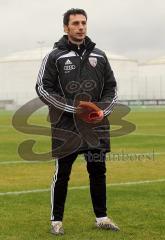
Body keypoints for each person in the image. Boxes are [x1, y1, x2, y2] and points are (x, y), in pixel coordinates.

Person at [36, 8, 119, 235]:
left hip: (96, 126)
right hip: (66, 128)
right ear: (66, 27)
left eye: (83, 23)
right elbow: (43, 88)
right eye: (75, 23)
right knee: (62, 173)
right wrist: (73, 108)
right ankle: (57, 222)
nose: (80, 27)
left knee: (97, 170)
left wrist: (102, 111)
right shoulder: (55, 56)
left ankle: (101, 217)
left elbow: (112, 88)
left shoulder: (100, 56)